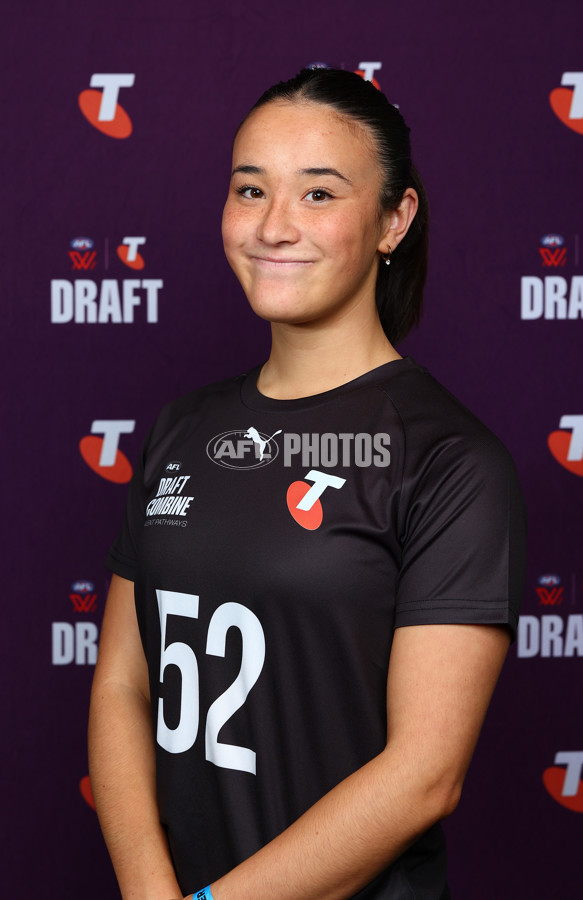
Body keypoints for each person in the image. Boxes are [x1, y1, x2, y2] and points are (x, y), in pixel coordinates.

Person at [89, 67, 526, 900]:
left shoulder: (450, 462)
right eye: (250, 189)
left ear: (394, 221)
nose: (274, 226)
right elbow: (120, 683)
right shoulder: (183, 428)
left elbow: (425, 774)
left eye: (319, 195)